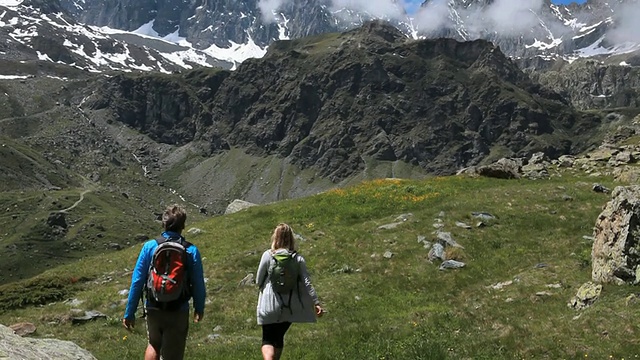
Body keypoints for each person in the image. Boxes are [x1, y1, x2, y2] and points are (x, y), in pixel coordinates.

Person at [122, 204, 206, 360]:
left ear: (164, 223)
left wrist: (130, 312)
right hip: (178, 307)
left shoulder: (149, 247)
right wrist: (199, 307)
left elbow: (137, 281)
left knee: (154, 344)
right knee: (173, 353)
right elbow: (198, 282)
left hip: (153, 305)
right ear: (183, 225)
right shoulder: (191, 250)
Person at [256, 223, 325, 360]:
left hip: (270, 303)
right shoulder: (298, 259)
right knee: (279, 337)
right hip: (290, 306)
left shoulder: (268, 255)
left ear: (275, 237)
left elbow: (258, 280)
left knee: (268, 338)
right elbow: (307, 283)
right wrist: (316, 303)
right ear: (291, 239)